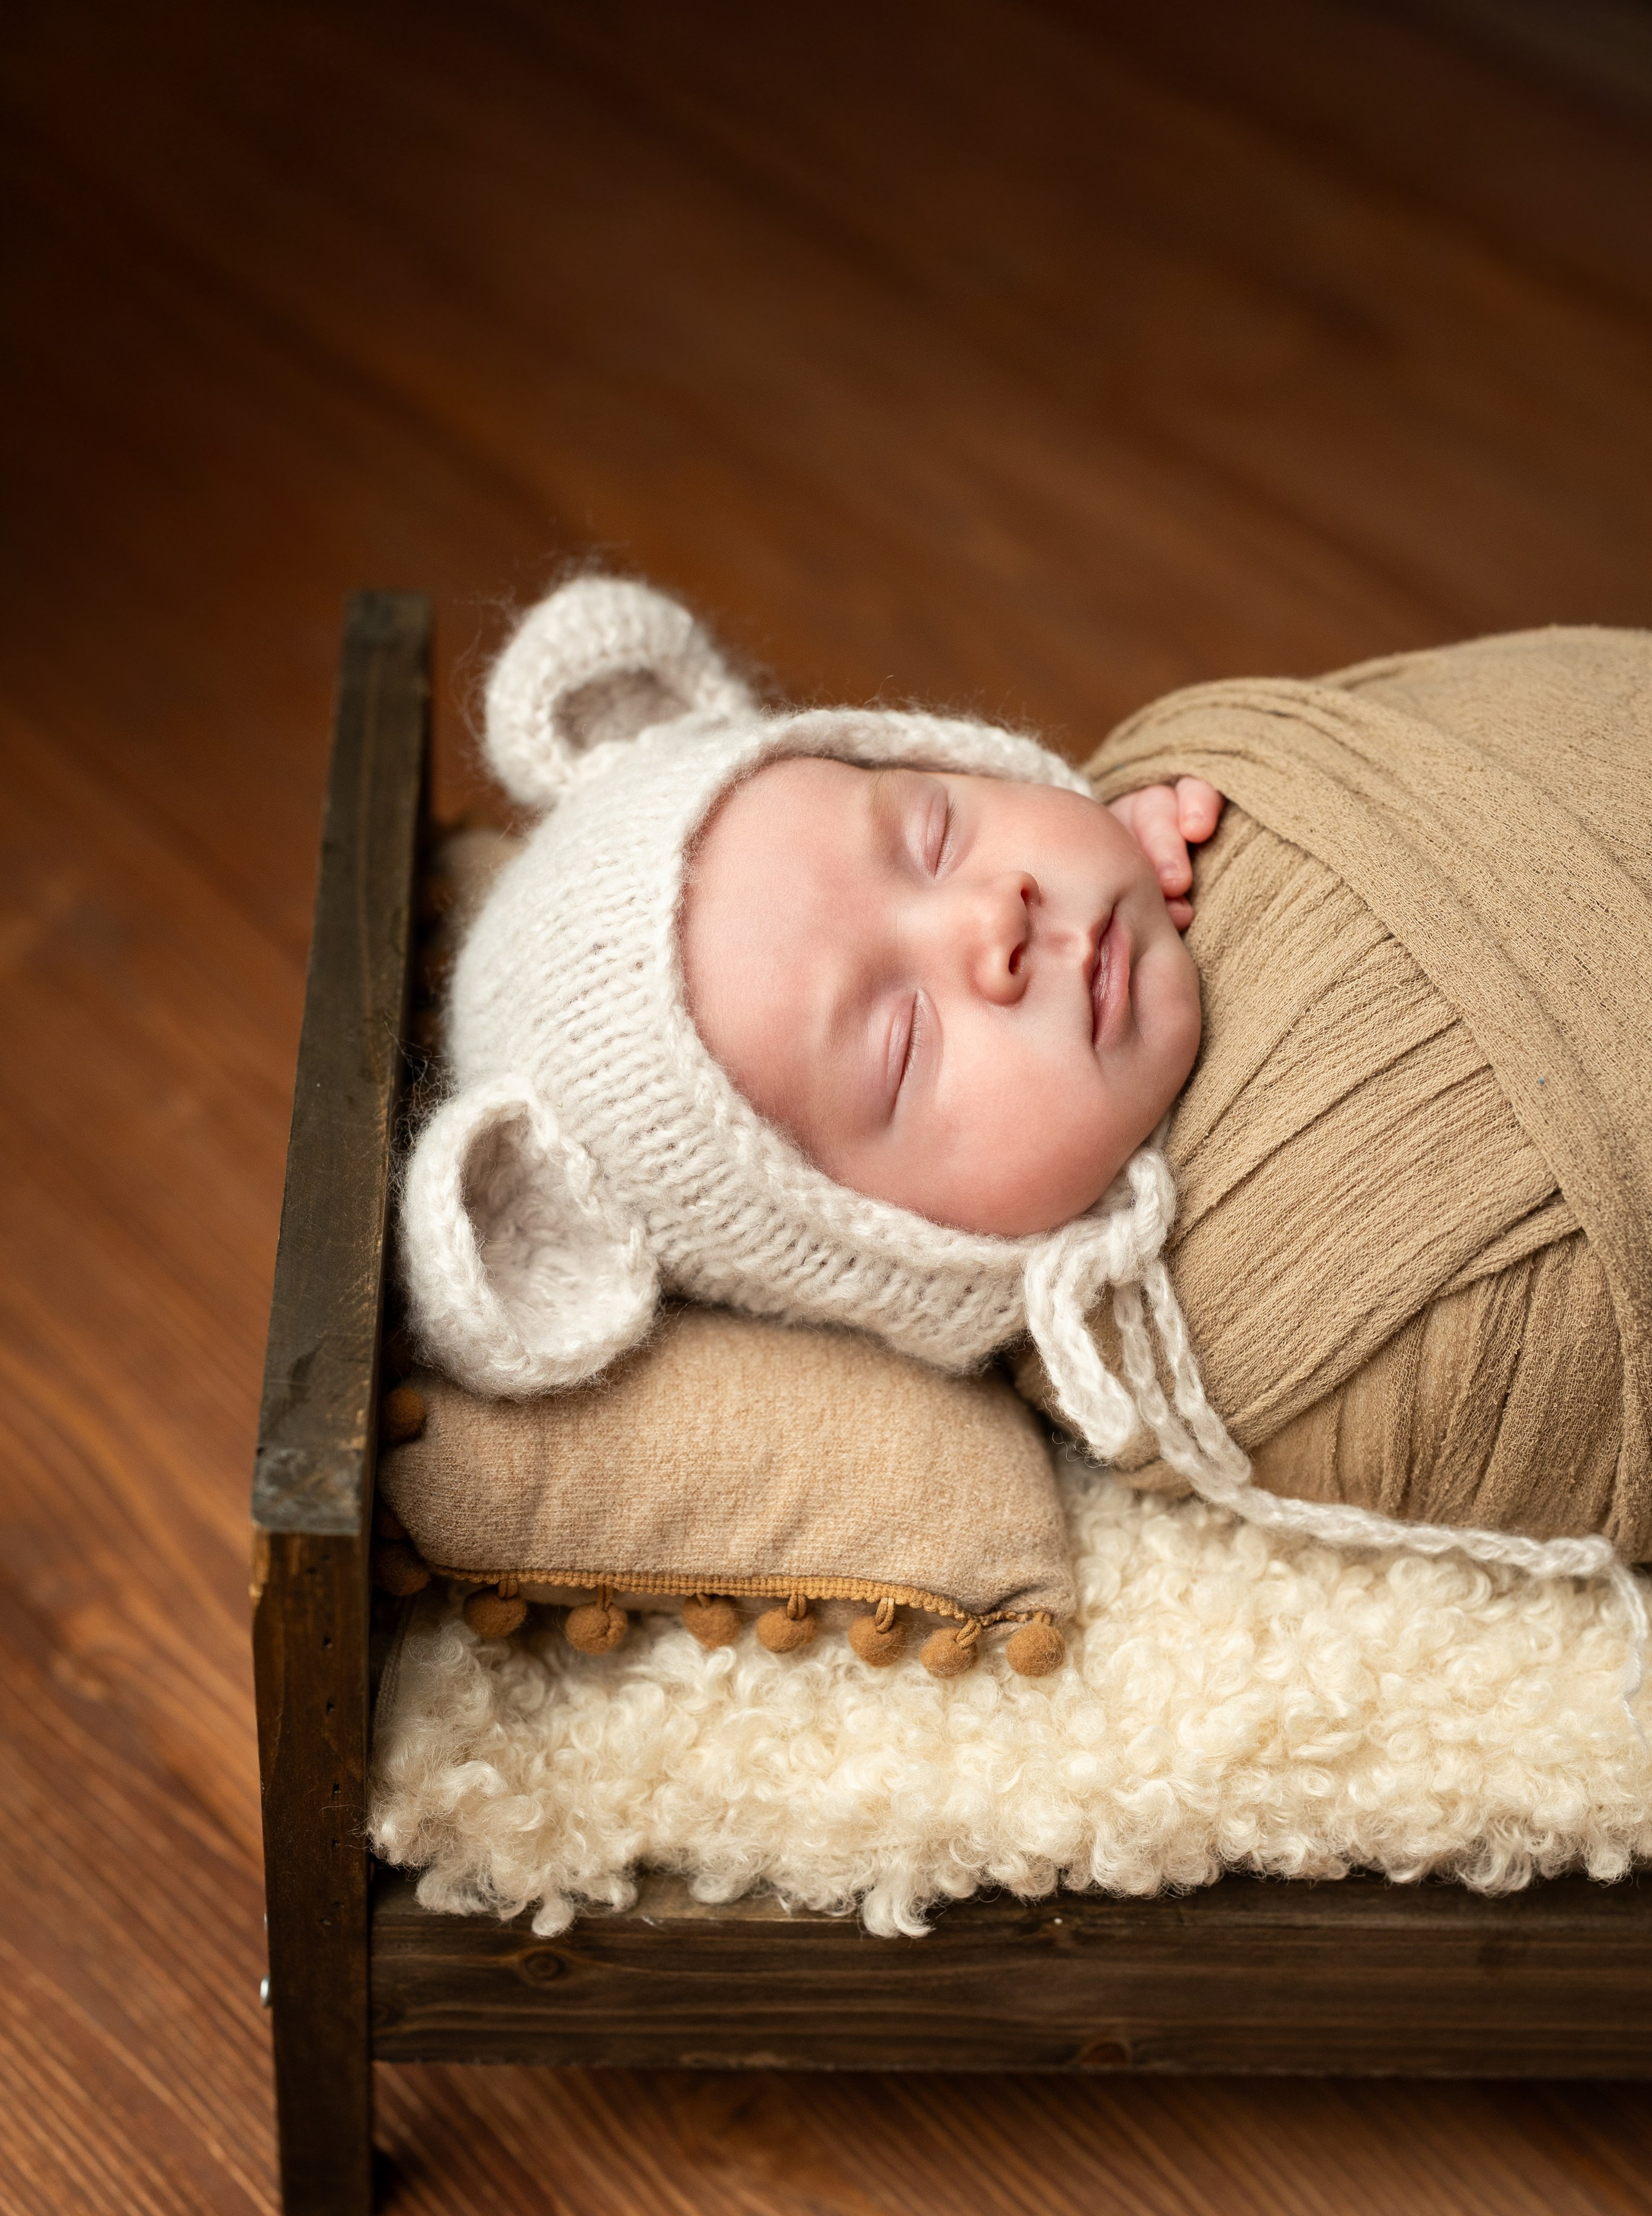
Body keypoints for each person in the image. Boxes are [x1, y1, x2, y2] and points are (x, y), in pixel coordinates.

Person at [399, 576, 1650, 1645]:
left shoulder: (1225, 806)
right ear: (892, 1251)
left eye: (934, 832)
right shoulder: (1225, 1364)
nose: (991, 921)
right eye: (902, 1041)